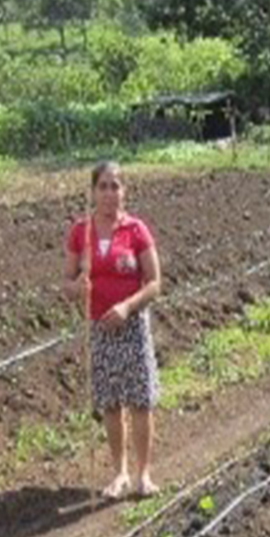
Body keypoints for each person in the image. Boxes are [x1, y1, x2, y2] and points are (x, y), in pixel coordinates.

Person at [63, 161, 163, 499]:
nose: (109, 193)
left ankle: (143, 475)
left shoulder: (136, 230)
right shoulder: (81, 232)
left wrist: (127, 307)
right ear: (93, 192)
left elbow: (154, 283)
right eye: (102, 186)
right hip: (99, 328)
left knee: (140, 400)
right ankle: (119, 473)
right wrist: (77, 286)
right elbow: (67, 284)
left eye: (114, 186)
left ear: (124, 191)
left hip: (132, 326)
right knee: (110, 402)